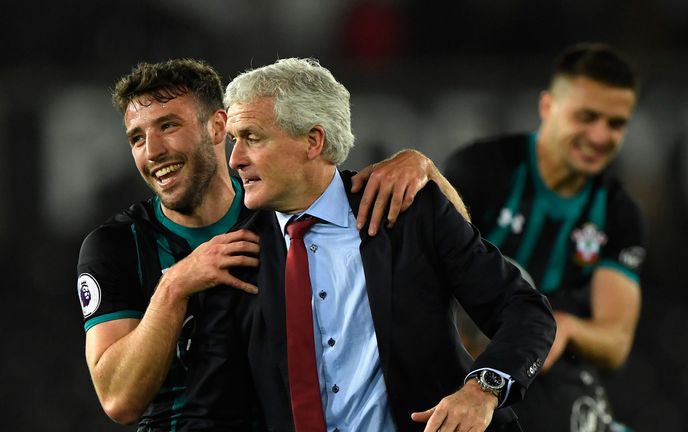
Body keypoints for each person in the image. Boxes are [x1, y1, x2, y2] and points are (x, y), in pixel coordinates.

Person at [75, 58, 463, 431]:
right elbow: (119, 402)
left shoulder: (284, 218)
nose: (152, 151)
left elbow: (459, 257)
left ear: (217, 127)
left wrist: (424, 170)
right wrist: (176, 285)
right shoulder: (117, 246)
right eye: (137, 138)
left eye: (168, 125)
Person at [181, 57, 556, 432]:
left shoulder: (408, 214)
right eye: (234, 140)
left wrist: (482, 390)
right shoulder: (232, 257)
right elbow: (211, 410)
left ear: (313, 141)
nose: (234, 160)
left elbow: (525, 310)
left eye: (252, 138)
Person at [444, 43, 646, 432]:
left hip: (554, 379)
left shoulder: (619, 213)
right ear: (548, 106)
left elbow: (615, 341)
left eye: (616, 123)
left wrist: (566, 329)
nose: (601, 135)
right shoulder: (482, 171)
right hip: (468, 370)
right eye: (587, 117)